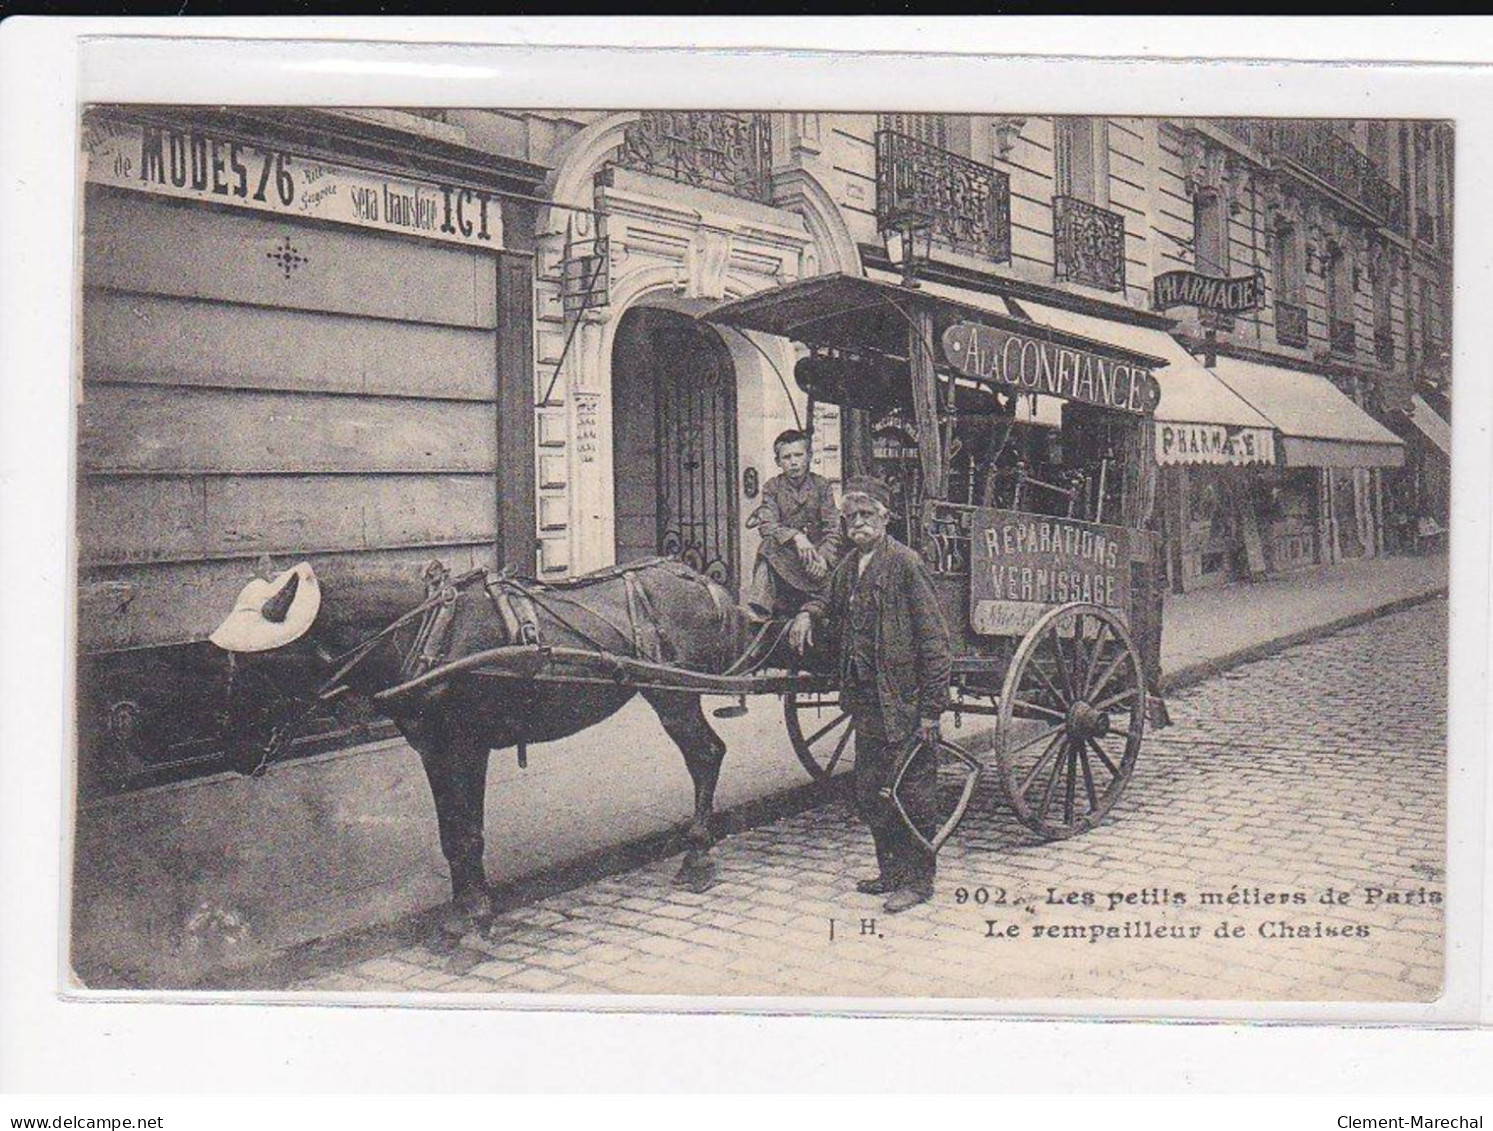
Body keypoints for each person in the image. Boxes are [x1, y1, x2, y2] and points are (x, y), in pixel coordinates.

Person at [789, 477, 952, 913]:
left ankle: (918, 882)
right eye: (851, 517)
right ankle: (891, 872)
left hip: (905, 702)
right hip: (867, 702)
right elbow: (826, 598)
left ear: (884, 518)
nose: (858, 523)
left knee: (912, 795)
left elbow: (935, 642)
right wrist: (808, 613)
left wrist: (932, 711)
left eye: (867, 515)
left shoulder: (905, 564)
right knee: (869, 790)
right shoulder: (850, 566)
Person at [745, 429, 845, 623]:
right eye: (786, 457)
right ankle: (759, 609)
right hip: (788, 562)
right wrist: (796, 537)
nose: (793, 462)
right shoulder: (772, 487)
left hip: (815, 565)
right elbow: (767, 525)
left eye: (798, 455)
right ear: (778, 462)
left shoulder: (821, 486)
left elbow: (833, 528)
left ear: (809, 457)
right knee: (768, 546)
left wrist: (823, 559)